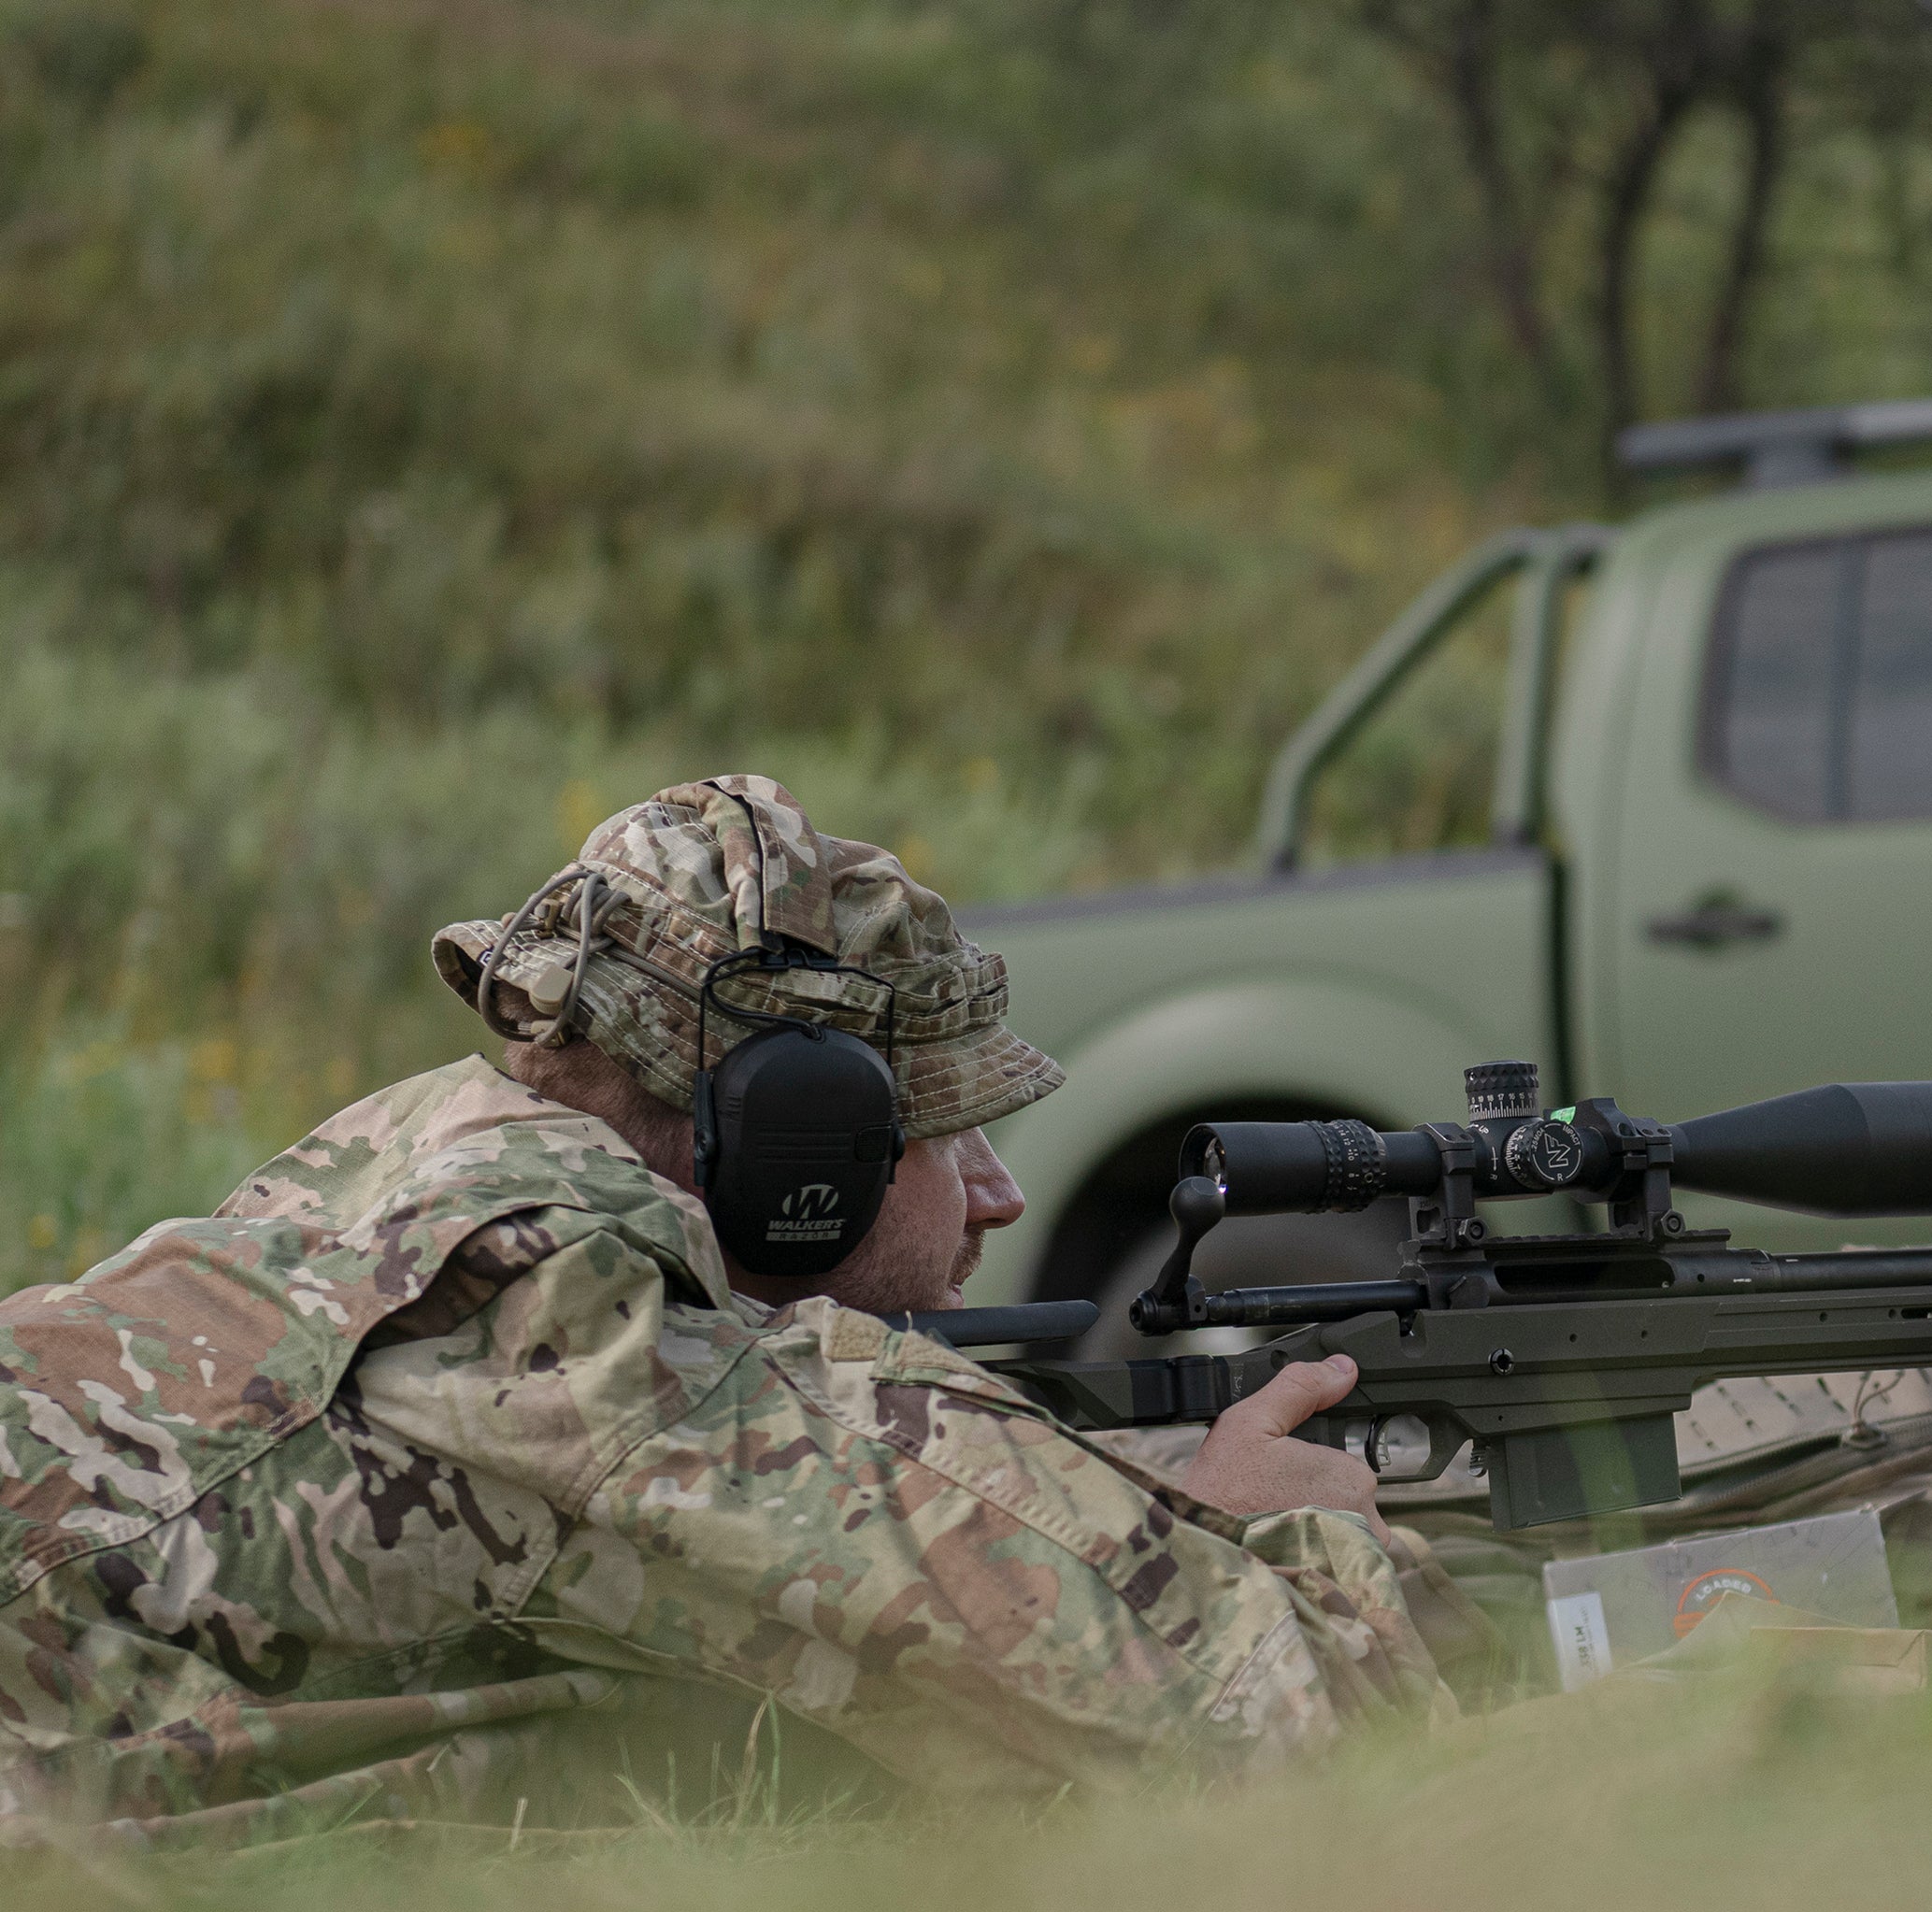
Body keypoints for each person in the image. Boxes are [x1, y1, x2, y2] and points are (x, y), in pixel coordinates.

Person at [0, 776, 1451, 1848]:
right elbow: (1277, 1732)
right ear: (798, 1145)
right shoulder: (571, 1316)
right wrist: (1265, 1511)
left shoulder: (396, 1184)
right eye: (948, 1132)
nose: (997, 1197)